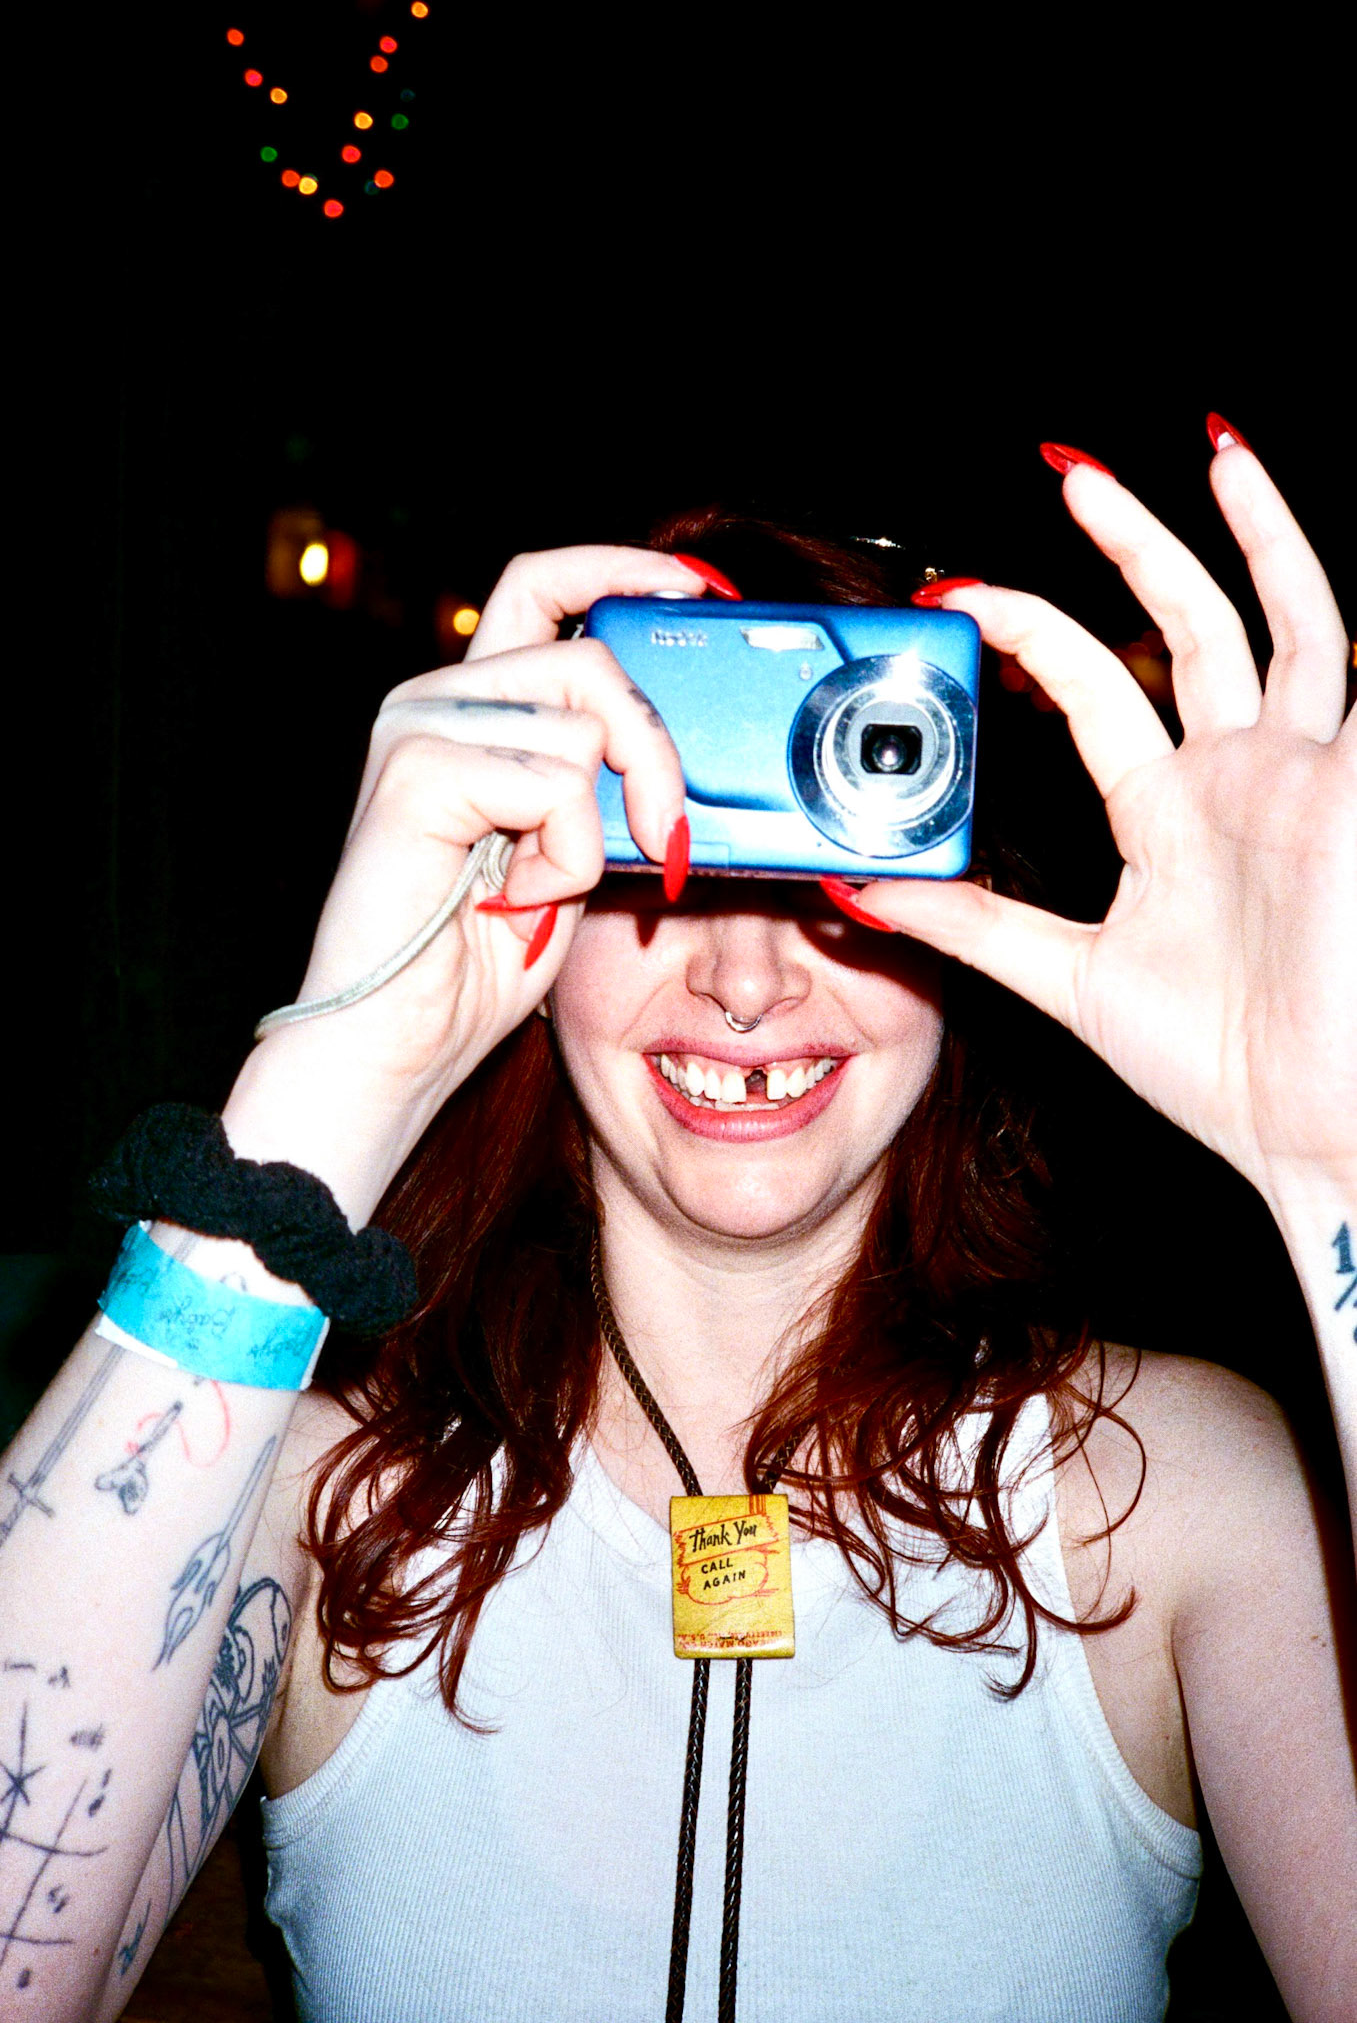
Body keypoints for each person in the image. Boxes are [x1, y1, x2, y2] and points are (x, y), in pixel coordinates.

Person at [0, 429, 1353, 2023]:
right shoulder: (311, 1493)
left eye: (831, 876)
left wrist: (1330, 1170)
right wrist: (333, 1071)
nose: (746, 978)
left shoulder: (1178, 1500)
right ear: (530, 891)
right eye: (666, 863)